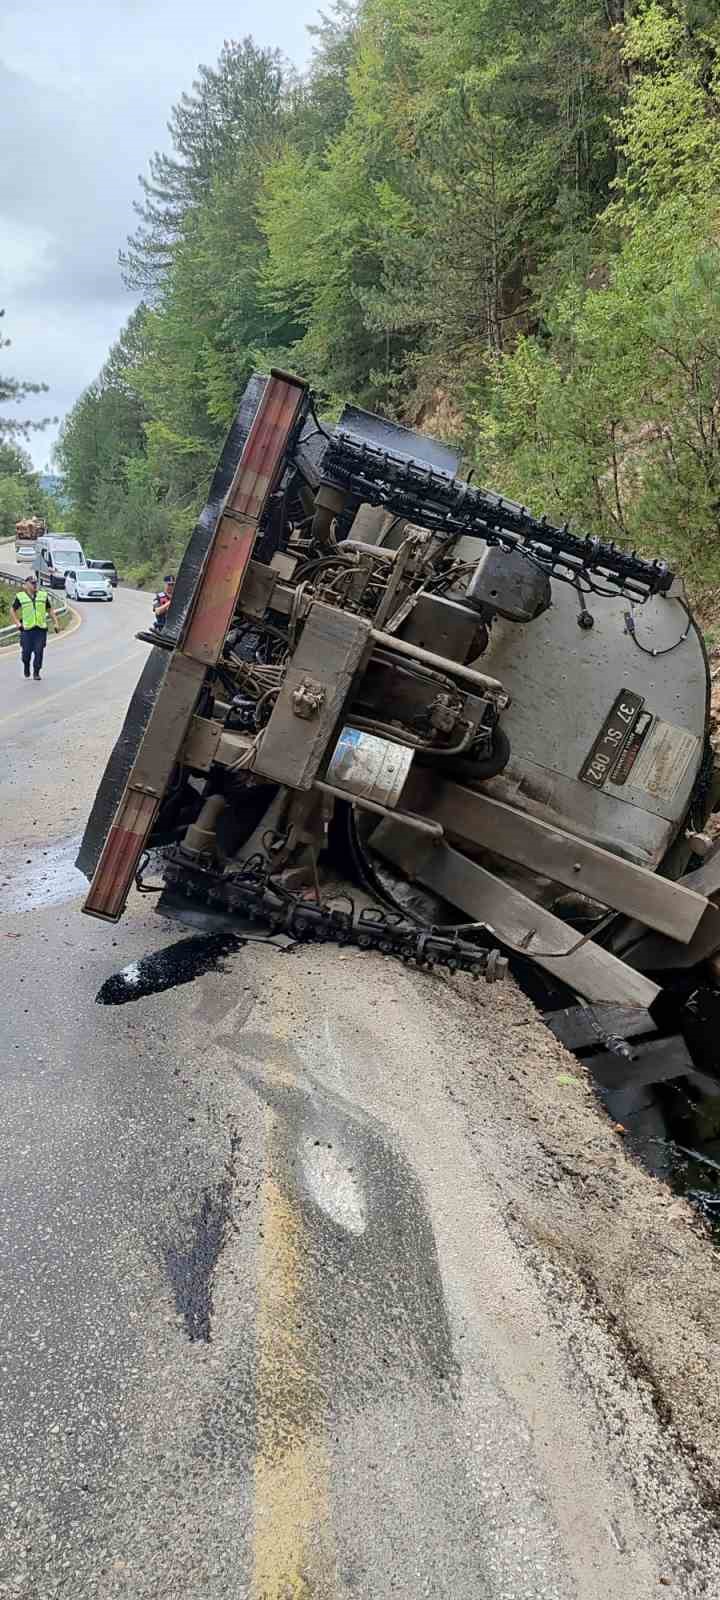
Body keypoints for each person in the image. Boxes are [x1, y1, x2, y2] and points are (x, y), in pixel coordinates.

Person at [12, 576, 58, 680]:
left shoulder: (43, 595)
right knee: (26, 654)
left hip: (40, 629)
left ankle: (36, 672)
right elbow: (12, 610)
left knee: (39, 651)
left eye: (35, 583)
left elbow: (50, 610)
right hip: (26, 630)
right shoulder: (20, 596)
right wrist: (17, 623)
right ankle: (26, 666)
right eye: (32, 583)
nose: (34, 585)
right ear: (26, 584)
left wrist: (56, 623)